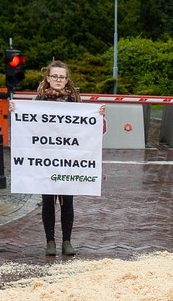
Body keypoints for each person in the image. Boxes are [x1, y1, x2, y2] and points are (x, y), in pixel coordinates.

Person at [10, 60, 105, 256]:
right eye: (55, 76)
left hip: (68, 161)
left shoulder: (75, 103)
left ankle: (67, 241)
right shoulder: (38, 102)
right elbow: (26, 128)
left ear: (67, 80)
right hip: (45, 159)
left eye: (62, 77)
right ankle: (50, 241)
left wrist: (99, 116)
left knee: (67, 200)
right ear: (48, 78)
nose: (58, 80)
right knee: (48, 201)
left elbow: (91, 131)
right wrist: (15, 111)